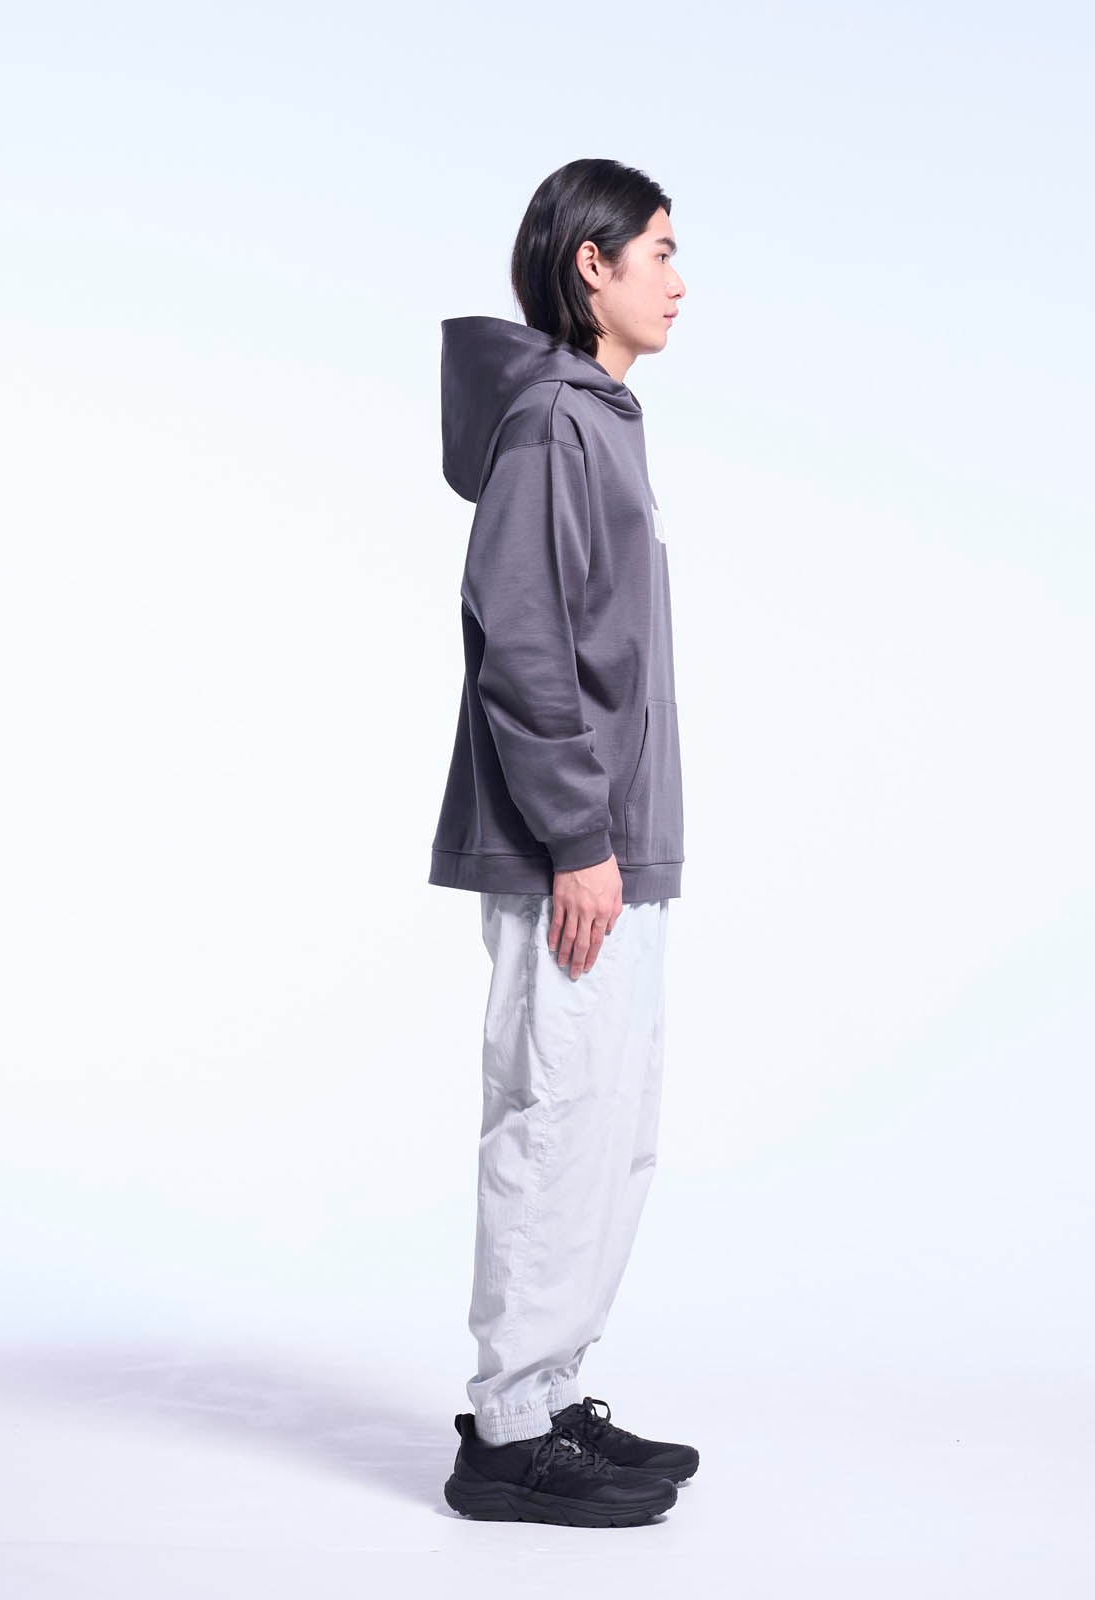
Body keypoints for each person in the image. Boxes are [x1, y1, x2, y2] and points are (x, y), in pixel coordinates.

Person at [429, 158, 698, 1527]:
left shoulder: (597, 416)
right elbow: (522, 643)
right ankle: (508, 1436)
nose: (679, 280)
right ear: (590, 265)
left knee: (606, 1135)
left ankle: (550, 1393)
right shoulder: (549, 422)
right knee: (554, 1126)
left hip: (612, 841)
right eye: (659, 250)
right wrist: (581, 837)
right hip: (568, 850)